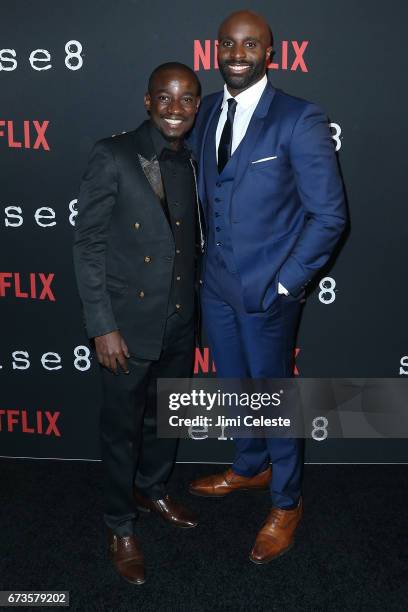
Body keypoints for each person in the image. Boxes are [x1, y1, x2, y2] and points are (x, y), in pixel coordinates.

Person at [189, 11, 347, 564]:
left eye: (250, 43)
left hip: (269, 293)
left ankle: (286, 501)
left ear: (270, 52)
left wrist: (284, 285)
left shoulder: (299, 118)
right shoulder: (206, 110)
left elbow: (329, 216)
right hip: (216, 286)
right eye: (228, 43)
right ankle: (250, 466)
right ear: (216, 51)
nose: (238, 52)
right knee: (235, 385)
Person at [73, 62, 203, 585]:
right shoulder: (114, 154)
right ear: (147, 101)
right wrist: (102, 325)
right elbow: (88, 245)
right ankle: (120, 523)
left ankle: (154, 489)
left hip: (179, 321)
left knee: (166, 421)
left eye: (188, 99)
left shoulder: (194, 161)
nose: (176, 109)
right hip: (125, 327)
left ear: (197, 106)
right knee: (121, 430)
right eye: (166, 98)